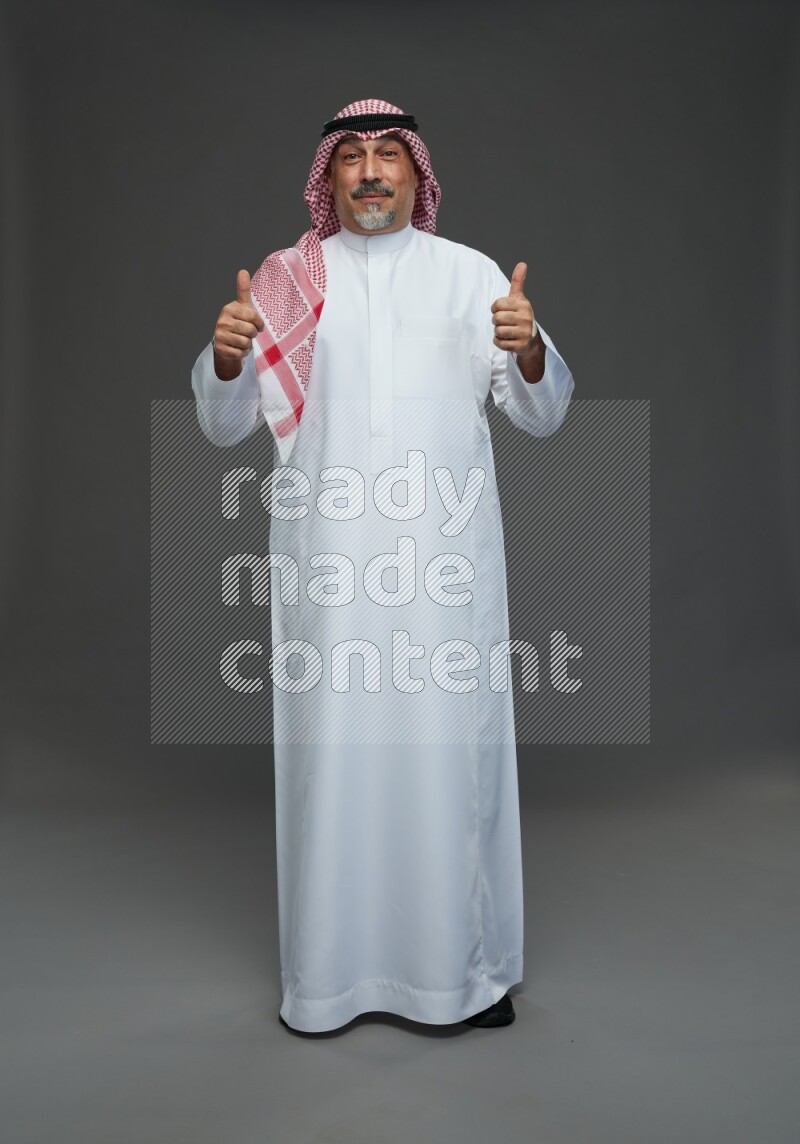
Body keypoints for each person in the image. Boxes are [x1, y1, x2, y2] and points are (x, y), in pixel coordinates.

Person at [191, 98, 575, 1033]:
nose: (369, 171)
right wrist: (227, 358)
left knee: (453, 766)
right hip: (329, 576)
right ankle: (329, 981)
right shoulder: (285, 281)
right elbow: (220, 424)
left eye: (388, 155)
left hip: (445, 576)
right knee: (337, 764)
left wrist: (529, 352)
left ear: (417, 175)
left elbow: (544, 414)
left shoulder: (470, 276)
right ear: (327, 179)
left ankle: (462, 975)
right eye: (351, 157)